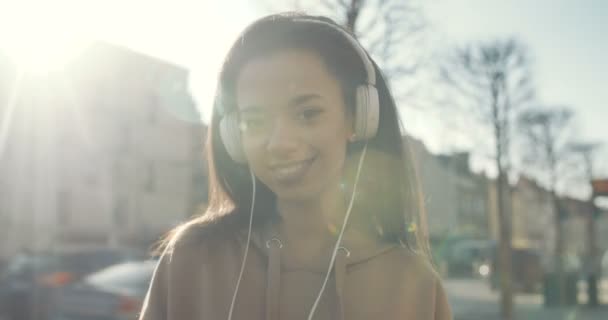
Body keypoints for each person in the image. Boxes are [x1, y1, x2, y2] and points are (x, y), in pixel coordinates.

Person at [140, 12, 452, 320]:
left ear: (359, 118)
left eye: (308, 114)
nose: (279, 143)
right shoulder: (193, 260)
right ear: (233, 137)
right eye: (255, 121)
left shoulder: (413, 285)